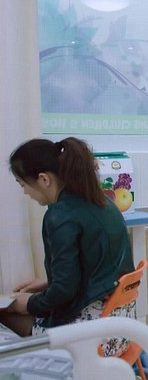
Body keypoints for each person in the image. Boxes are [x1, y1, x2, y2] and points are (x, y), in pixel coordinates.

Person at [0, 137, 135, 356]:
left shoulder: (60, 216)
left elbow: (64, 291)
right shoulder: (104, 202)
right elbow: (99, 266)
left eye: (23, 185)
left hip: (94, 337)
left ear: (44, 179)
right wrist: (48, 282)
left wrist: (27, 304)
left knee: (7, 316)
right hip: (124, 327)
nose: (25, 192)